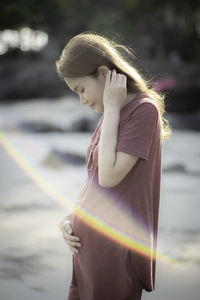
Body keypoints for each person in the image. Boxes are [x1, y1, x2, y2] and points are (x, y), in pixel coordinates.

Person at [56, 31, 172, 300]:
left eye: (81, 89)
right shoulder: (112, 112)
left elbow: (109, 176)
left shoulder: (142, 111)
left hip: (115, 250)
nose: (82, 100)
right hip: (88, 249)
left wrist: (111, 109)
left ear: (104, 73)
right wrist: (70, 218)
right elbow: (94, 177)